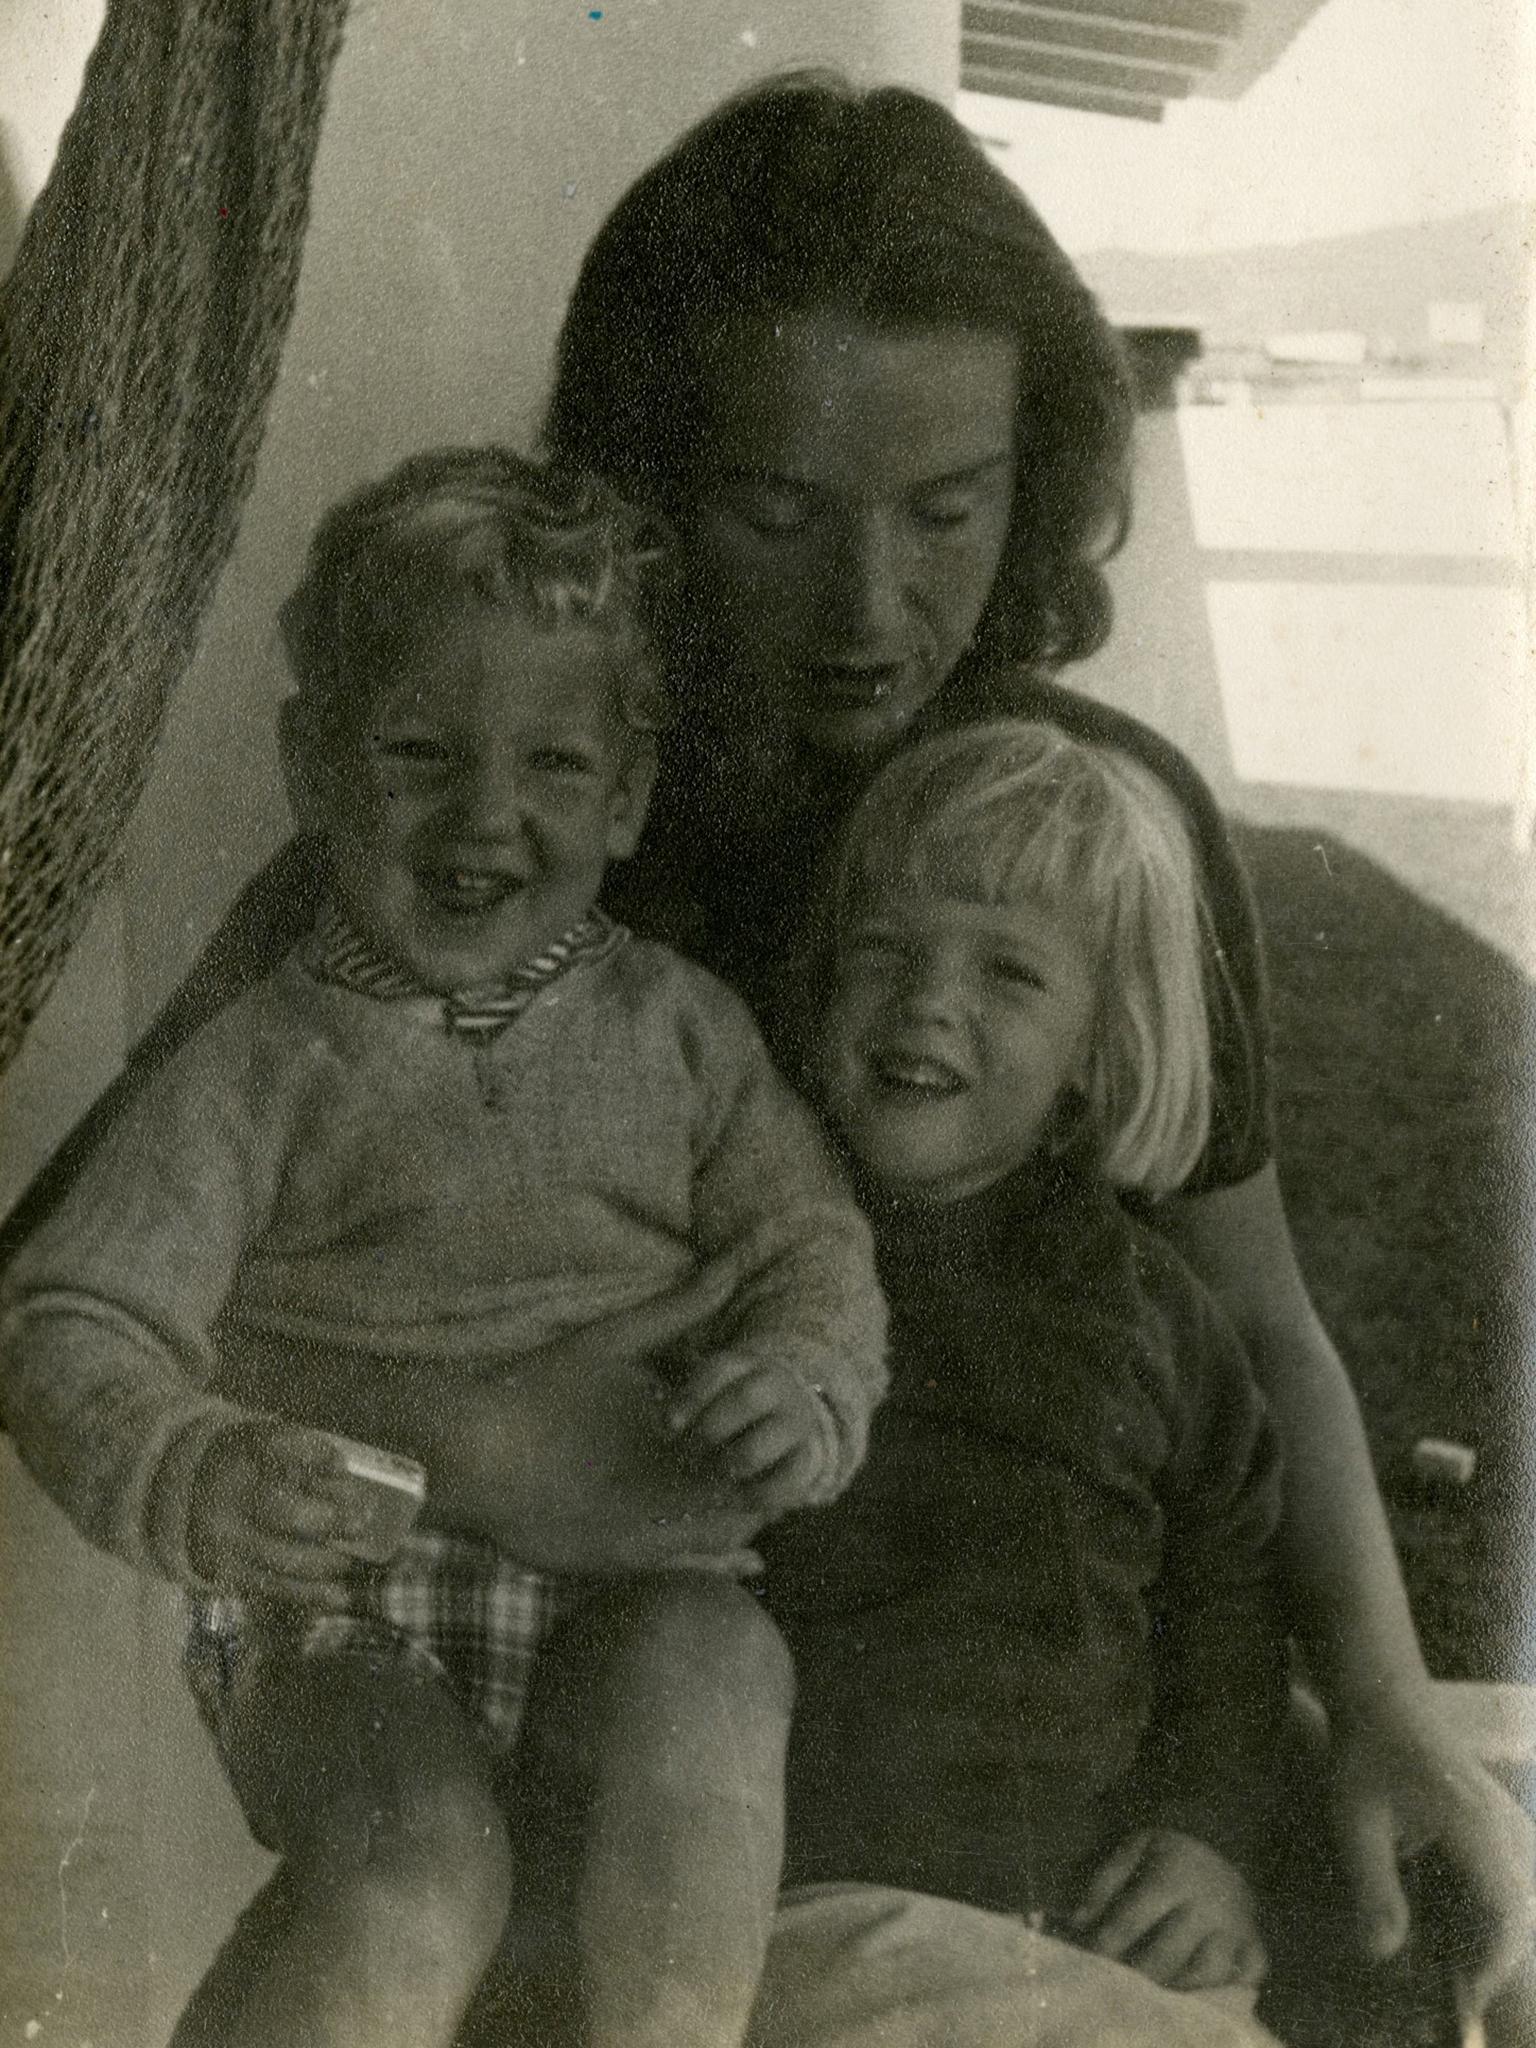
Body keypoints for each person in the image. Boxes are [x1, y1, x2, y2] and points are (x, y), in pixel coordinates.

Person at [3, 67, 1528, 2036]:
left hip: (1038, 1734)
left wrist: (1394, 1704)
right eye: (779, 511)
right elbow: (88, 1292)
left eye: (950, 511)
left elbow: (1259, 1331)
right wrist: (466, 1444)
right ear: (648, 482)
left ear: (1041, 480)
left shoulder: (1098, 814)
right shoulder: (481, 850)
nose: (873, 601)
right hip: (591, 1756)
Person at [0, 448, 888, 2048]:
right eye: (418, 751)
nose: (488, 816)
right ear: (313, 768)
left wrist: (803, 1377)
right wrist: (199, 1462)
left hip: (638, 1572)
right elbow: (70, 1320)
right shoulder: (261, 1066)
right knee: (418, 1874)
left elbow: (810, 1245)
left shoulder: (688, 1033)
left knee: (720, 1681)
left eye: (554, 764)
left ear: (626, 795)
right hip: (345, 1591)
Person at [765, 718, 1288, 2039]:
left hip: (1095, 1924)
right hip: (820, 1904)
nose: (928, 999)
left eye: (1008, 972)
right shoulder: (754, 1256)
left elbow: (1230, 1607)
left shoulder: (1152, 1318)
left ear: (1096, 1054)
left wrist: (1209, 1837)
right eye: (885, 950)